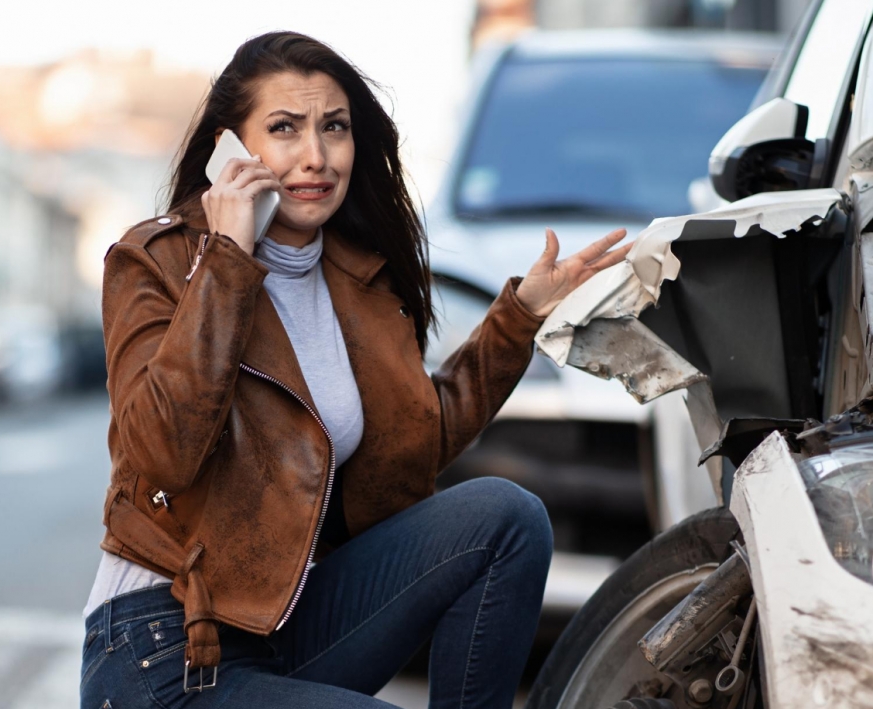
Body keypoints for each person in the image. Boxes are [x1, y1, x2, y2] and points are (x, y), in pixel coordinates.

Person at [80, 31, 629, 709]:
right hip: (165, 648)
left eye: (333, 128)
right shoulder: (155, 261)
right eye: (284, 129)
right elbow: (162, 451)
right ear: (232, 150)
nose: (315, 157)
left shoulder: (358, 279)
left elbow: (412, 447)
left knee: (507, 516)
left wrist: (517, 317)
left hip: (296, 621)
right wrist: (226, 256)